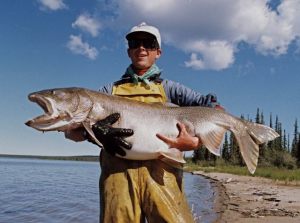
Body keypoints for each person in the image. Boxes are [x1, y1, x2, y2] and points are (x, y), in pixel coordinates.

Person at [66, 22, 222, 223]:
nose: (141, 48)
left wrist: (195, 143)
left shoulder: (172, 89)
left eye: (148, 43)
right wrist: (92, 133)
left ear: (158, 52)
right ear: (128, 51)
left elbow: (214, 110)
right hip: (116, 176)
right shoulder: (107, 92)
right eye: (135, 43)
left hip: (163, 174)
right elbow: (71, 132)